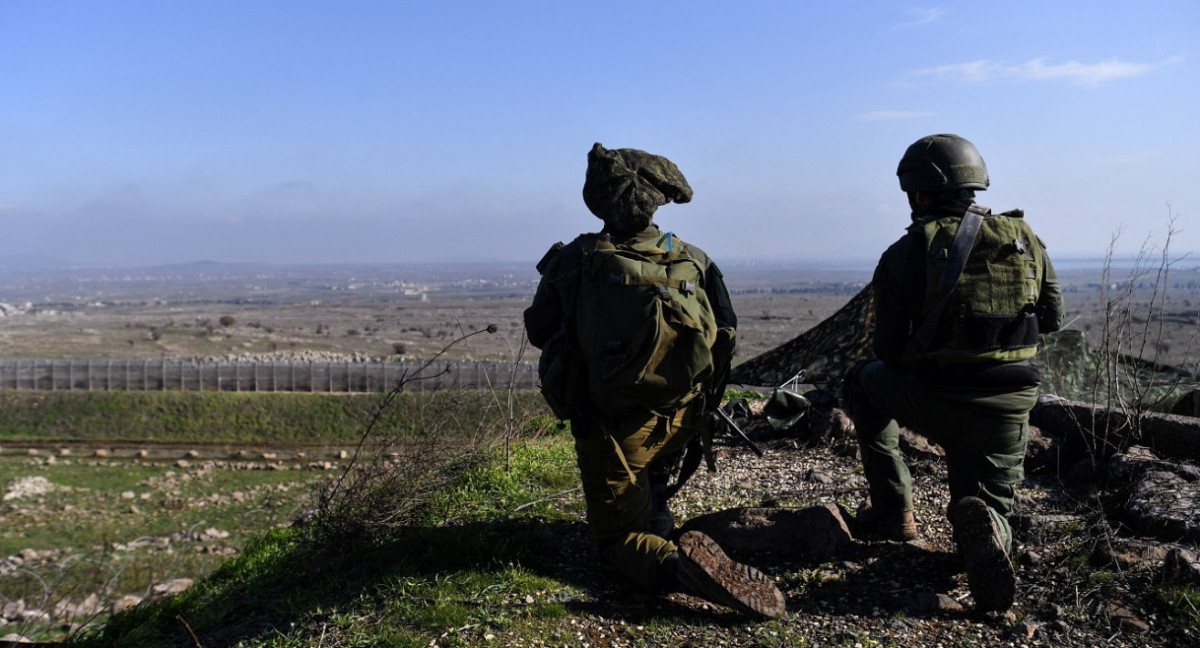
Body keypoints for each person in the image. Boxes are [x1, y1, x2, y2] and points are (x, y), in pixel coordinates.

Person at [524, 142, 785, 619]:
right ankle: (658, 515)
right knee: (651, 474)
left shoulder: (577, 260)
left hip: (614, 428)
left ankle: (678, 567)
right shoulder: (693, 259)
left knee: (614, 542)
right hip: (685, 419)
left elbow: (540, 329)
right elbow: (725, 334)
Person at [841, 134, 1065, 613]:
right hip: (1008, 407)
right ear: (975, 184)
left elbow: (888, 350)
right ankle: (991, 534)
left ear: (918, 193)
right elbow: (1051, 319)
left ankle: (894, 514)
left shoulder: (904, 253)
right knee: (991, 499)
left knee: (863, 383)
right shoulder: (1026, 240)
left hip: (933, 398)